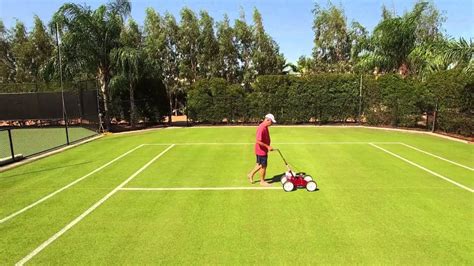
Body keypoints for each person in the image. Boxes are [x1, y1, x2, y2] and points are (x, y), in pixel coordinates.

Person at [247, 114, 276, 186]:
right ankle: (261, 181)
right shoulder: (262, 128)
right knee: (263, 166)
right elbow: (258, 141)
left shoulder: (265, 126)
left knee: (259, 164)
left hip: (261, 150)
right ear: (267, 120)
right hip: (261, 150)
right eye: (271, 122)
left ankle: (251, 174)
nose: (272, 124)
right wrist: (267, 147)